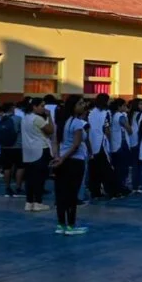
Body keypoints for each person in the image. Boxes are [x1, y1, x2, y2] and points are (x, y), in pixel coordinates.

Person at [52, 95, 90, 235]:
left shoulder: (61, 122)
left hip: (62, 160)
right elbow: (76, 145)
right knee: (72, 194)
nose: (83, 106)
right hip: (74, 161)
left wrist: (57, 157)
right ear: (73, 106)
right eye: (80, 104)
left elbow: (55, 142)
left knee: (61, 194)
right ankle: (71, 226)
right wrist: (63, 158)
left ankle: (61, 224)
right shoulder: (77, 123)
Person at [21, 98, 54, 212]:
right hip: (40, 150)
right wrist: (49, 117)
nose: (44, 108)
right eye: (42, 106)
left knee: (29, 178)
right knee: (39, 178)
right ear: (34, 107)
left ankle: (29, 202)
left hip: (28, 151)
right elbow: (50, 130)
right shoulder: (38, 119)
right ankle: (38, 202)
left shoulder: (25, 118)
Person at [0, 103, 24, 198]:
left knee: (7, 168)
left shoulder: (1, 119)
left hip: (4, 147)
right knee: (20, 166)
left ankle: (7, 188)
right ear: (12, 109)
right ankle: (18, 188)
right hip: (17, 146)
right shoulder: (18, 119)